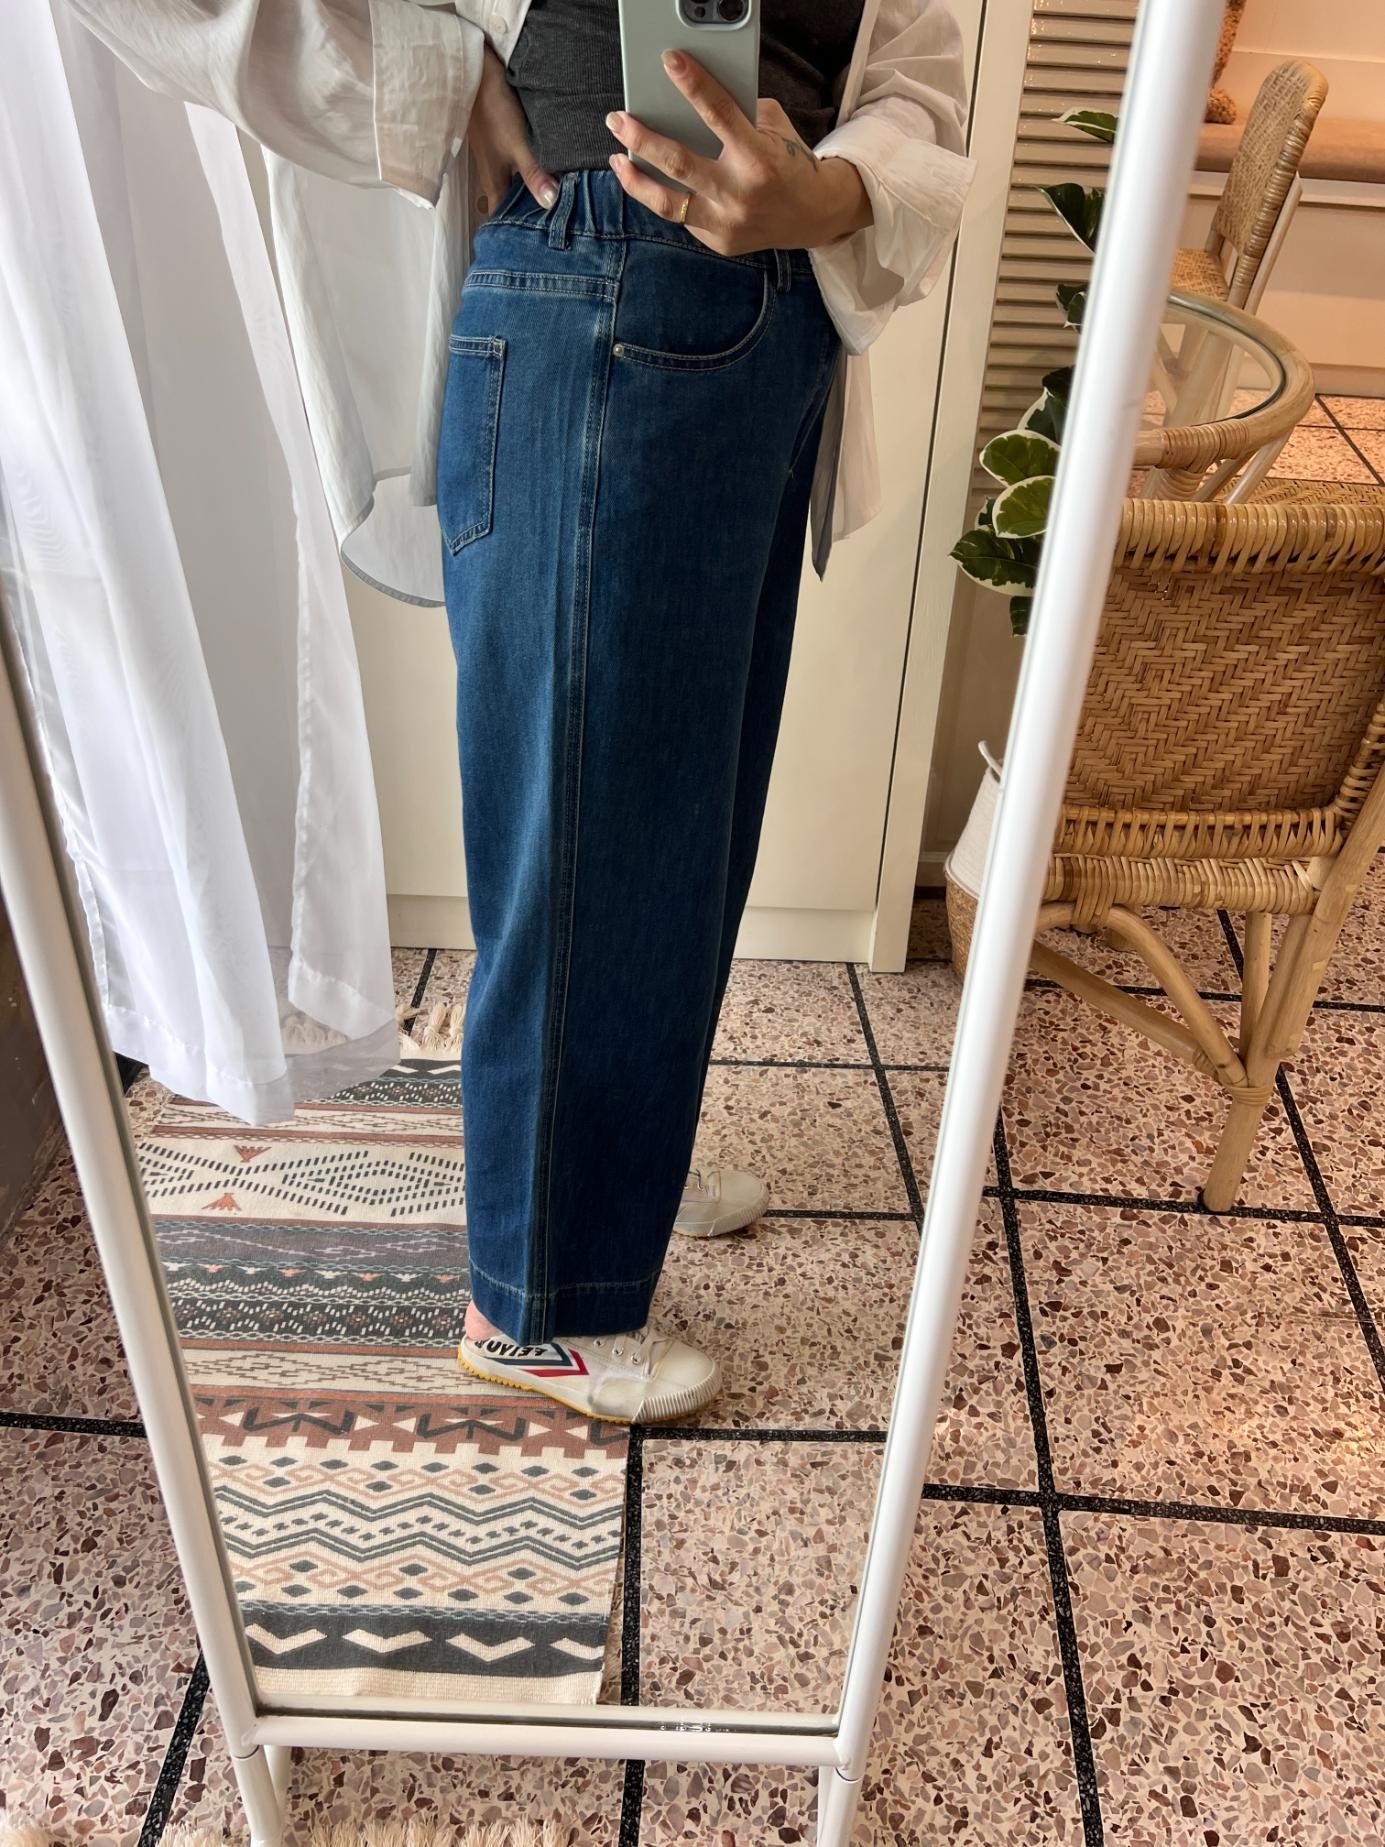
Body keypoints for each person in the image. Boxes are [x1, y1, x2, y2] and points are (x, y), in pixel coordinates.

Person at [65, 0, 973, 1426]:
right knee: (585, 837)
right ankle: (539, 1302)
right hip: (595, 268)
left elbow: (916, 74)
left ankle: (615, 1176)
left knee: (679, 826)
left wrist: (838, 191)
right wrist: (433, 74)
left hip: (776, 311)